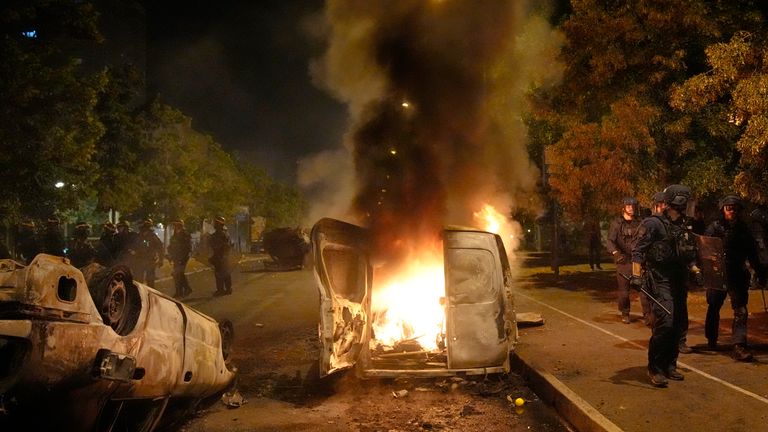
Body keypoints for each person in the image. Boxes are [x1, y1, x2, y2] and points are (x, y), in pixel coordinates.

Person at [631, 184, 702, 387]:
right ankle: (655, 367)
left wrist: (696, 271)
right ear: (676, 202)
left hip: (679, 280)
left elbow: (687, 254)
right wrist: (636, 276)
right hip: (660, 280)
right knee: (666, 323)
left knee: (678, 324)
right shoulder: (653, 224)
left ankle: (670, 364)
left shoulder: (683, 225)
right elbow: (638, 251)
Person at [704, 195, 766, 361]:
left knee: (741, 311)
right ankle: (711, 338)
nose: (731, 210)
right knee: (714, 306)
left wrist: (760, 272)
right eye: (728, 207)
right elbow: (706, 249)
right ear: (723, 209)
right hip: (718, 274)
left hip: (737, 274)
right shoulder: (714, 228)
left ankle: (739, 345)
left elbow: (752, 253)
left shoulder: (744, 229)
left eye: (734, 208)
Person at [606, 197, 649, 324]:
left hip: (639, 261)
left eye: (633, 205)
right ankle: (625, 313)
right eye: (628, 205)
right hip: (623, 261)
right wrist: (616, 253)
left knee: (644, 291)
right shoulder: (617, 224)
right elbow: (610, 242)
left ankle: (647, 315)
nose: (631, 208)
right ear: (623, 208)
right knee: (624, 293)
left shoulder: (641, 223)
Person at [133, 218, 164, 287]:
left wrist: (161, 260)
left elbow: (160, 247)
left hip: (150, 261)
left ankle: (151, 295)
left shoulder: (152, 236)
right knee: (139, 279)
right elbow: (135, 247)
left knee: (150, 280)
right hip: (140, 260)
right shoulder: (139, 236)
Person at [168, 219, 192, 298]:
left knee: (177, 273)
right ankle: (182, 290)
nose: (174, 226)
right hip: (176, 257)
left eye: (176, 225)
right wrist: (170, 254)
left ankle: (181, 291)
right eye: (174, 225)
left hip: (183, 257)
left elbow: (187, 247)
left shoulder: (185, 234)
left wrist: (183, 257)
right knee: (178, 274)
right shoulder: (174, 235)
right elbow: (171, 246)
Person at [209, 216, 233, 296]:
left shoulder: (221, 234)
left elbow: (222, 246)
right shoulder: (224, 233)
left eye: (215, 223)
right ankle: (228, 289)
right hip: (223, 256)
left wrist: (219, 256)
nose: (214, 224)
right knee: (225, 273)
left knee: (219, 274)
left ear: (219, 224)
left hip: (221, 257)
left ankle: (221, 290)